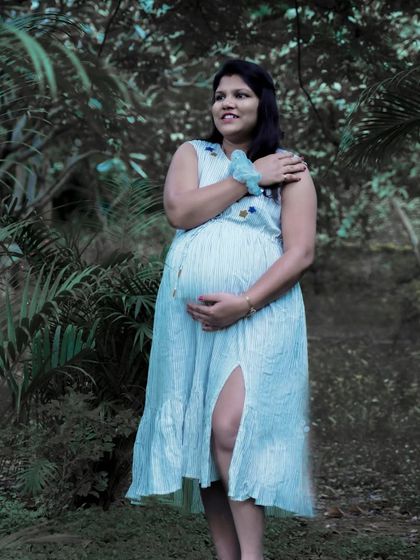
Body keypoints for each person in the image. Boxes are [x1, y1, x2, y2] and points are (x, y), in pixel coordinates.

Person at [126, 59, 317, 560]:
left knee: (230, 428)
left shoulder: (290, 167)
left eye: (241, 95)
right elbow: (180, 212)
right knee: (202, 436)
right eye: (220, 96)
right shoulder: (194, 153)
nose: (227, 103)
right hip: (190, 322)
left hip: (261, 314)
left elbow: (300, 253)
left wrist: (245, 302)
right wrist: (250, 175)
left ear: (264, 103)